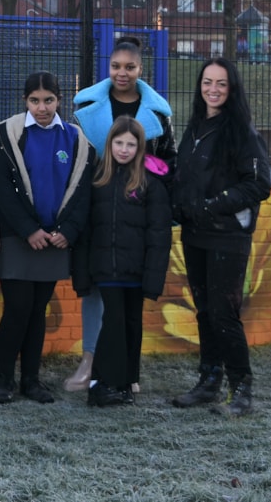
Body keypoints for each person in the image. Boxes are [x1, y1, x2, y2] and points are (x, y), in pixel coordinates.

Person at [67, 37, 176, 392]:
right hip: (98, 205)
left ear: (141, 69)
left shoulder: (159, 114)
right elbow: (76, 160)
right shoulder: (86, 107)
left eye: (130, 67)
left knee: (126, 307)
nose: (122, 73)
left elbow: (169, 161)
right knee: (95, 293)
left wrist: (152, 179)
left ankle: (125, 370)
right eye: (116, 66)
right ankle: (90, 360)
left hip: (135, 208)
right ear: (108, 67)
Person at [170, 58, 271, 417]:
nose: (213, 89)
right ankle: (209, 382)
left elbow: (258, 184)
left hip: (227, 238)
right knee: (205, 313)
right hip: (195, 235)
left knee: (223, 315)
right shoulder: (196, 127)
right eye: (207, 82)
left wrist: (215, 205)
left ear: (232, 89)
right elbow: (185, 177)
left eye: (221, 84)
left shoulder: (241, 131)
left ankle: (241, 391)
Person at [0, 71, 92, 405]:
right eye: (35, 100)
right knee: (17, 309)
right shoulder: (9, 135)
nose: (42, 107)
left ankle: (31, 380)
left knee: (37, 312)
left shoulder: (75, 139)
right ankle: (3, 379)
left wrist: (67, 232)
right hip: (19, 239)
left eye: (48, 100)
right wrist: (28, 230)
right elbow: (2, 190)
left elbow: (83, 190)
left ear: (59, 100)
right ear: (25, 101)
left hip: (55, 242)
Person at [71, 117, 171, 407]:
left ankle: (126, 382)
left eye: (131, 144)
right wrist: (83, 272)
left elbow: (158, 233)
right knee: (112, 322)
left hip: (136, 270)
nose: (124, 149)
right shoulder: (97, 178)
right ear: (110, 143)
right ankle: (100, 383)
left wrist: (153, 277)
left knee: (131, 324)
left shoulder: (150, 184)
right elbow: (86, 229)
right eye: (119, 143)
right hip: (106, 268)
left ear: (140, 147)